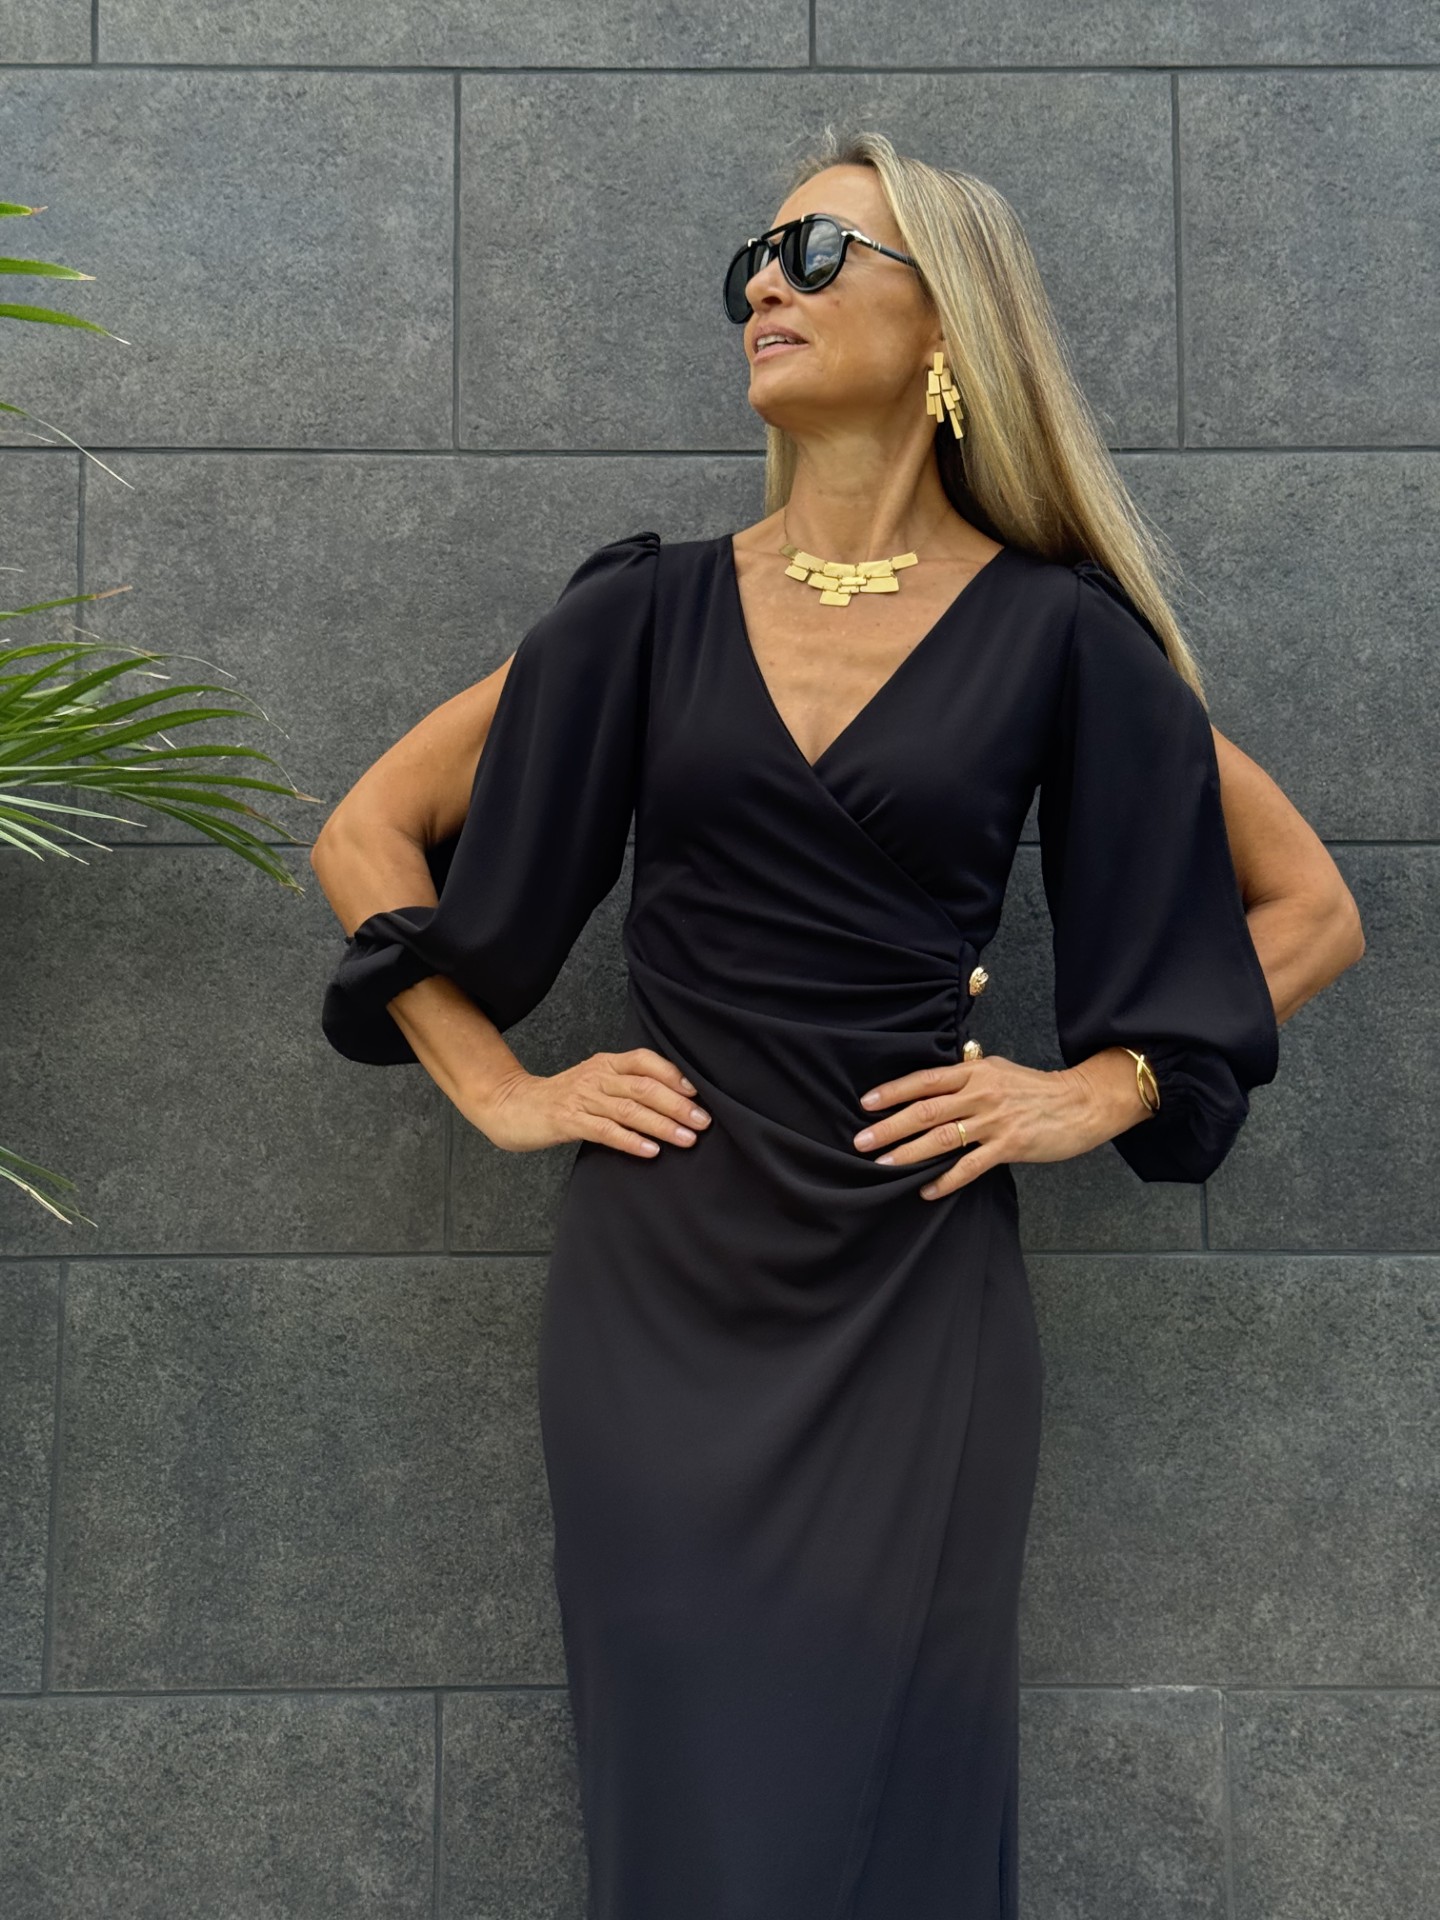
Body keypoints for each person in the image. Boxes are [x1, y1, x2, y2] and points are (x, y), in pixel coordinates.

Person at [312, 130, 1363, 1920]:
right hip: (659, 1288)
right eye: (753, 256)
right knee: (685, 1804)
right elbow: (368, 830)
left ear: (949, 323)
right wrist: (501, 1089)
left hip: (914, 1284)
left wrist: (1098, 1089)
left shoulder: (1054, 635)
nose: (763, 284)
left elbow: (1311, 909)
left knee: (898, 1799)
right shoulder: (644, 615)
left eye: (812, 251)